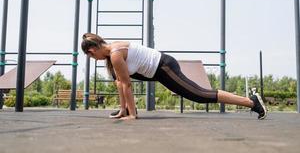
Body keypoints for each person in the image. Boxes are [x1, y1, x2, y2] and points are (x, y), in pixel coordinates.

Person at [81, 33, 267, 120]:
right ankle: (127, 110)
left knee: (200, 95)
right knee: (118, 79)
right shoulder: (111, 54)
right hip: (156, 71)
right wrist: (124, 110)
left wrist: (133, 116)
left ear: (91, 50)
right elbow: (120, 83)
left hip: (164, 67)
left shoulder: (115, 54)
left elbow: (127, 85)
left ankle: (252, 102)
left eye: (90, 56)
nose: (93, 59)